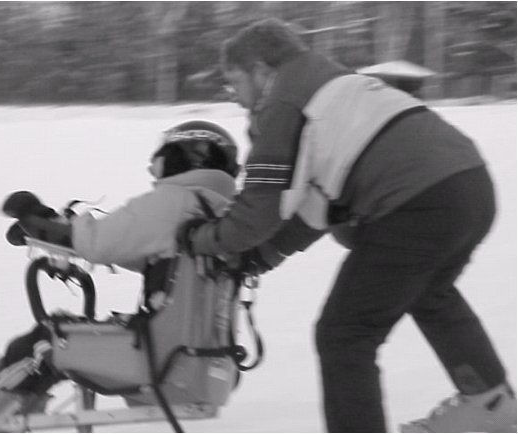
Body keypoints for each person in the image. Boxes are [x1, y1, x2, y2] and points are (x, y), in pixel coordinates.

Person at [184, 18, 516, 433]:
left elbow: (258, 210)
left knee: (344, 334)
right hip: (469, 185)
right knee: (431, 294)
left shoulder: (283, 101)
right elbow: (316, 205)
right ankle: (491, 403)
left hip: (415, 203)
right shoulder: (335, 84)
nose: (235, 98)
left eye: (234, 82)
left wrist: (204, 240)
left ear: (261, 69)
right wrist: (259, 258)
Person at [0, 120, 241, 429]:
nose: (153, 169)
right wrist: (54, 231)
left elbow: (100, 240)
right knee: (60, 336)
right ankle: (0, 413)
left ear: (184, 157)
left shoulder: (175, 201)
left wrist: (37, 221)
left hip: (162, 361)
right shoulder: (220, 216)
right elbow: (139, 249)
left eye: (160, 157)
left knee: (46, 342)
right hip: (202, 368)